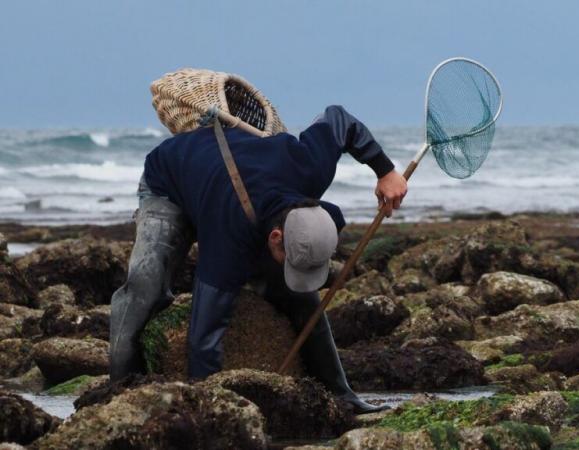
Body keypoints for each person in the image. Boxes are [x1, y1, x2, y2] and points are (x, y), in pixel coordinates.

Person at [109, 69, 407, 414]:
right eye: (288, 258)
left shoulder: (308, 168)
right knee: (145, 284)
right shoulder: (228, 243)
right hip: (169, 185)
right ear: (275, 237)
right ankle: (118, 392)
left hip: (235, 192)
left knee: (301, 298)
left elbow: (338, 119)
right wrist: (212, 412)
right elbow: (204, 339)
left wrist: (385, 170)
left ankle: (341, 394)